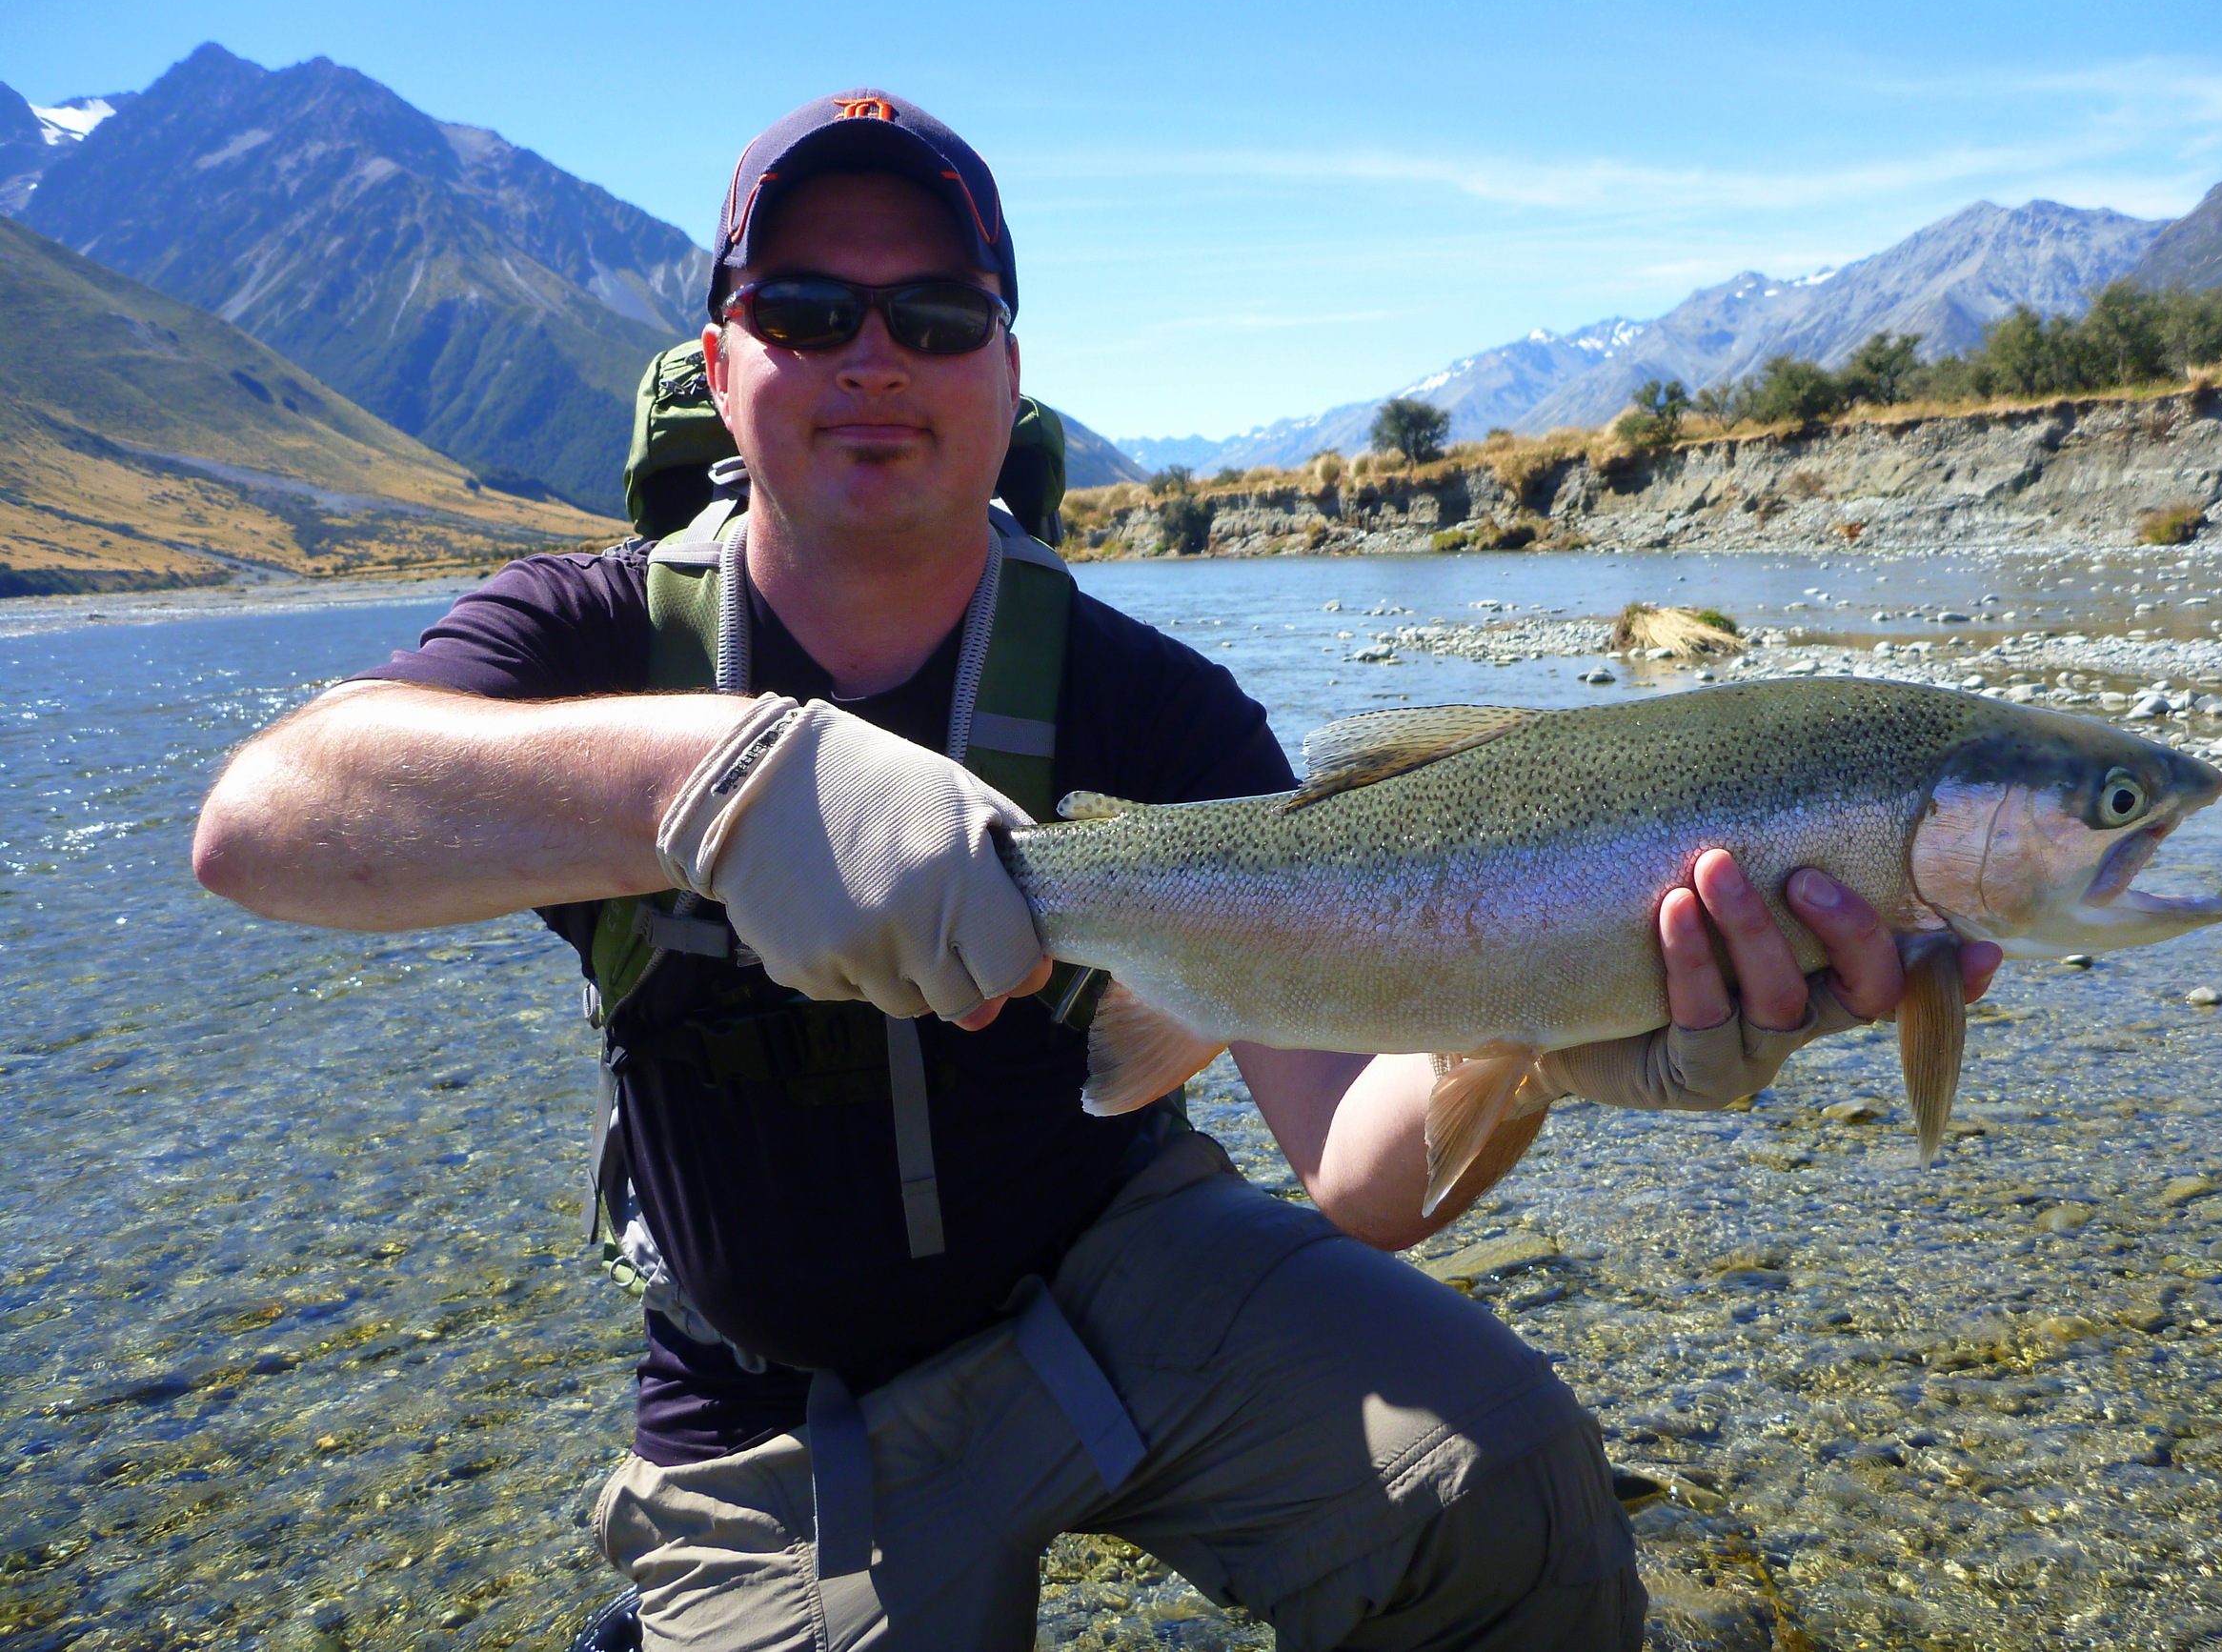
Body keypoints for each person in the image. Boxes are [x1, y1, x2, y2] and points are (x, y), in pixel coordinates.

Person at [192, 90, 1998, 1651]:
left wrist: (1537, 1028)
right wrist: (718, 779)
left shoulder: (1151, 700)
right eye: (809, 310)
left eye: (938, 313)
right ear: (721, 361)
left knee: (1502, 1478)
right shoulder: (586, 635)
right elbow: (264, 821)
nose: (874, 356)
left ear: (1011, 367)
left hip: (1123, 1277)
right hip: (766, 1394)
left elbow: (1359, 1174)